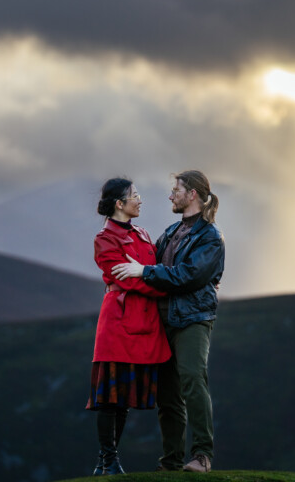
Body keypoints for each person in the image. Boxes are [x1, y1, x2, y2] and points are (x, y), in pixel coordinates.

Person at [111, 170, 225, 473]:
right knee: (168, 395)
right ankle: (171, 463)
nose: (170, 195)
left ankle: (202, 456)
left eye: (176, 189)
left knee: (192, 380)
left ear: (193, 195)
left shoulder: (210, 237)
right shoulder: (171, 232)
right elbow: (147, 263)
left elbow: (188, 276)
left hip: (192, 320)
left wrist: (143, 272)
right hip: (163, 321)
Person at [86, 177, 172, 476]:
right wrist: (163, 285)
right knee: (111, 396)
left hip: (145, 321)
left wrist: (151, 275)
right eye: (135, 195)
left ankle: (106, 462)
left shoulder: (143, 234)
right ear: (119, 204)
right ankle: (108, 459)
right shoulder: (105, 239)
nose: (140, 199)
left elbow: (145, 274)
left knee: (123, 396)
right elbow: (127, 279)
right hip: (118, 323)